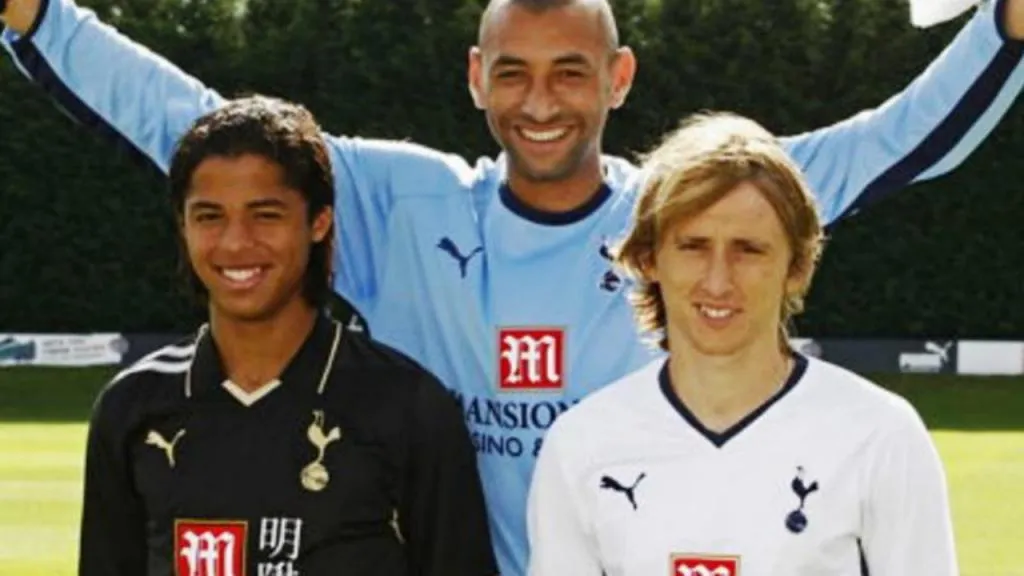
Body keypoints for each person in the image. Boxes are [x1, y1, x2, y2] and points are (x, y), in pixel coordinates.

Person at [2, 0, 1021, 573]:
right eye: (514, 72)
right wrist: (42, 19)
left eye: (571, 71)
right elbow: (194, 123)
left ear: (618, 81)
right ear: (474, 76)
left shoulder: (681, 211)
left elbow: (890, 144)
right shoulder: (395, 205)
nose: (542, 102)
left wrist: (1002, 35)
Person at [78, 95, 497, 576]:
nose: (236, 242)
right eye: (210, 216)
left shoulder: (408, 407)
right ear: (183, 226)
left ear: (319, 222)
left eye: (266, 214)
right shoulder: (132, 407)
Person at [527, 112, 957, 576]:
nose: (718, 280)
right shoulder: (582, 443)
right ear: (649, 259)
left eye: (748, 250)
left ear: (797, 268)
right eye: (693, 246)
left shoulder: (880, 435)